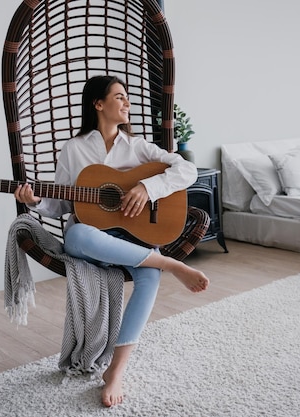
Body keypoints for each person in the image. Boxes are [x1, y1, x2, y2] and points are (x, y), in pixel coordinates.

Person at [14, 75, 210, 407]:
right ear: (98, 104)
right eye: (119, 97)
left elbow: (185, 170)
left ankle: (115, 371)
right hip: (90, 240)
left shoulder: (138, 147)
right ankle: (167, 262)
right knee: (76, 231)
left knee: (148, 276)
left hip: (131, 238)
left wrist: (147, 188)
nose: (127, 103)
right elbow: (63, 204)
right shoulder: (74, 149)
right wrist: (34, 201)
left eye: (126, 97)